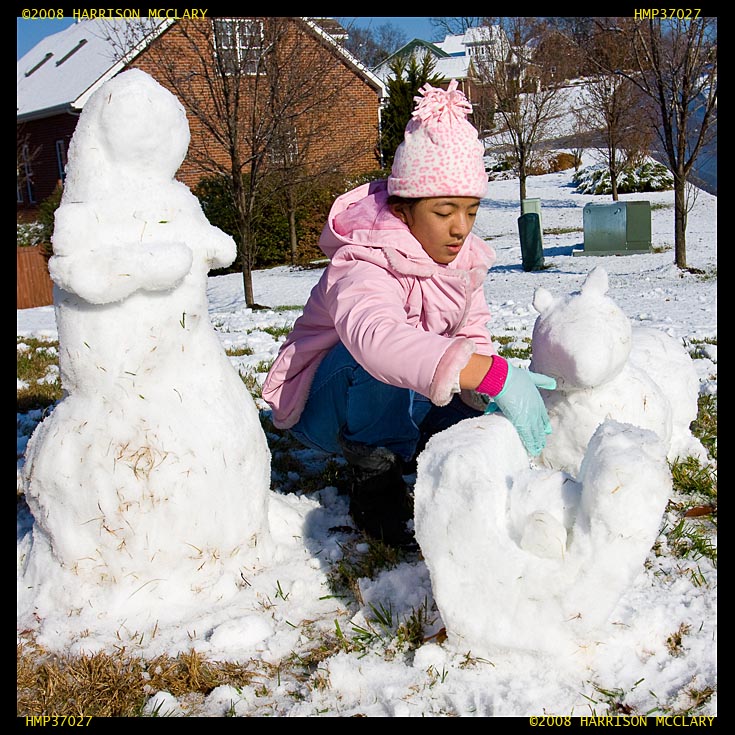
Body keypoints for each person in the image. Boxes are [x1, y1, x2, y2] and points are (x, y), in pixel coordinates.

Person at [262, 80, 556, 548]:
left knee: (470, 411)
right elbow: (376, 339)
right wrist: (492, 374)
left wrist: (485, 395)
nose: (460, 229)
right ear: (404, 208)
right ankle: (376, 480)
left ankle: (438, 460)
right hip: (324, 405)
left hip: (404, 395)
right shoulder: (363, 258)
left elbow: (472, 335)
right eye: (444, 212)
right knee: (376, 358)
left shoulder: (464, 263)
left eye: (471, 211)